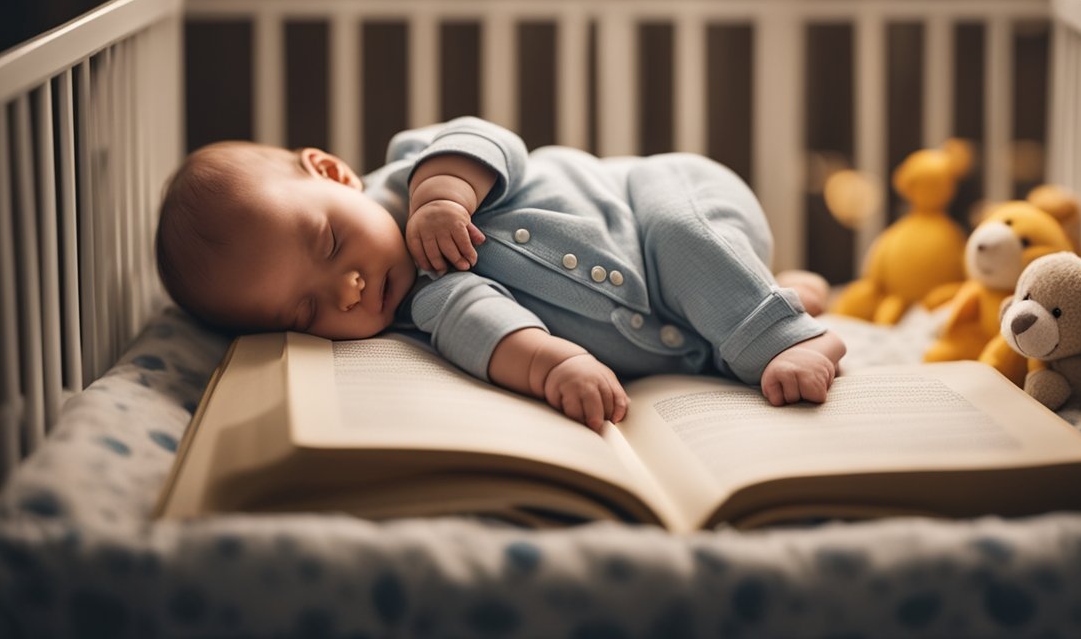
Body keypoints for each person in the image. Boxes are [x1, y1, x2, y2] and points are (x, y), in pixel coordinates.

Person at [155, 116, 845, 430]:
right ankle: (779, 290)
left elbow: (490, 139)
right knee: (701, 321)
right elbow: (490, 328)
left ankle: (786, 336)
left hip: (655, 198)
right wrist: (554, 368)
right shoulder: (425, 308)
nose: (348, 289)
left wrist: (442, 194)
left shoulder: (420, 168)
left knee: (684, 238)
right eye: (307, 311)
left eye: (330, 241)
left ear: (336, 175)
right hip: (670, 313)